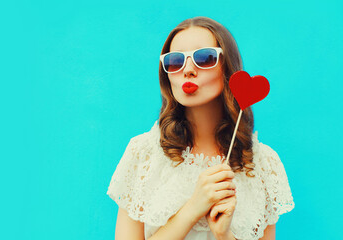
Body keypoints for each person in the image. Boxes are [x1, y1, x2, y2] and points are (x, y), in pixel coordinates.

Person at [107, 16, 295, 240]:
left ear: (228, 68)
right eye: (175, 61)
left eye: (204, 58)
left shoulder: (263, 165)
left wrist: (224, 234)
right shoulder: (142, 154)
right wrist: (192, 209)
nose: (188, 70)